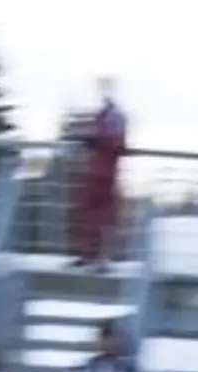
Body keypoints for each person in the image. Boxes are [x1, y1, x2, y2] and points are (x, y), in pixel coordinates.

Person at [67, 76, 128, 270]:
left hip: (104, 175)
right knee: (87, 215)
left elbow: (117, 145)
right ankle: (87, 255)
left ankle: (100, 258)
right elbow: (105, 141)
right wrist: (91, 140)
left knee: (102, 217)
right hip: (94, 173)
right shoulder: (105, 118)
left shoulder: (115, 118)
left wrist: (97, 141)